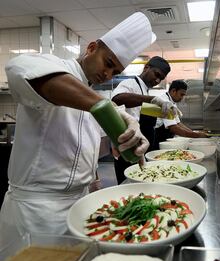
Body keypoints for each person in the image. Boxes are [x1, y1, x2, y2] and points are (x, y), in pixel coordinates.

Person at [0, 12, 155, 246]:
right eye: (108, 63)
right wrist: (111, 109)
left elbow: (86, 148)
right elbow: (19, 69)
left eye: (115, 72)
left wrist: (124, 139)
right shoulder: (54, 66)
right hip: (35, 211)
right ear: (92, 48)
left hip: (80, 207)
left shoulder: (95, 97)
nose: (107, 74)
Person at [111, 56, 176, 184]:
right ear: (146, 67)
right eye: (156, 74)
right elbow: (117, 99)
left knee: (139, 181)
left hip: (138, 146)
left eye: (161, 78)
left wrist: (160, 112)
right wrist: (152, 99)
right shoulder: (130, 83)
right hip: (125, 145)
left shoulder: (144, 89)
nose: (157, 80)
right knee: (127, 183)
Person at [154, 80, 208, 149]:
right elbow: (174, 128)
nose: (182, 98)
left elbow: (178, 123)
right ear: (173, 91)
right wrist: (197, 135)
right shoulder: (165, 102)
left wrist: (193, 132)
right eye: (181, 94)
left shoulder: (172, 102)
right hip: (157, 140)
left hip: (164, 140)